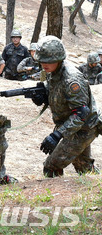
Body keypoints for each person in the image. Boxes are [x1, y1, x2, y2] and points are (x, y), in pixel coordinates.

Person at [35, 35, 101, 178]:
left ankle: (53, 199)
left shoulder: (72, 79)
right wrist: (44, 96)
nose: (44, 64)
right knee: (84, 168)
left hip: (84, 128)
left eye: (48, 61)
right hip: (74, 127)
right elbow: (59, 93)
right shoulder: (53, 72)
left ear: (58, 59)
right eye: (41, 61)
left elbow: (81, 114)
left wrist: (57, 135)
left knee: (51, 166)